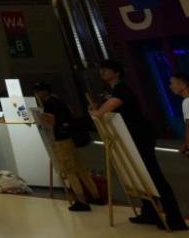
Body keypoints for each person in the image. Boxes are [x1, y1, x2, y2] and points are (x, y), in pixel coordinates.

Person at [92, 60, 187, 230]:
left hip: (140, 139)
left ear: (117, 72)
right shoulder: (113, 91)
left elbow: (106, 109)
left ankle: (174, 218)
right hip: (132, 139)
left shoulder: (122, 89)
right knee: (141, 176)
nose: (102, 73)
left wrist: (97, 112)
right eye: (101, 70)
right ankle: (150, 211)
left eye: (106, 69)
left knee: (153, 176)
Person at [32, 82, 99, 212]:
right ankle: (95, 196)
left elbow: (51, 121)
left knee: (69, 170)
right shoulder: (58, 100)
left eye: (38, 92)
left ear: (43, 92)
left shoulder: (50, 103)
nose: (37, 95)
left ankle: (81, 201)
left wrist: (40, 116)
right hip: (70, 137)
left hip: (61, 139)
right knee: (80, 168)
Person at [170, 72, 189, 157]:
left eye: (172, 83)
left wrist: (188, 146)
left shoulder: (187, 102)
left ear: (182, 84)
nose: (170, 86)